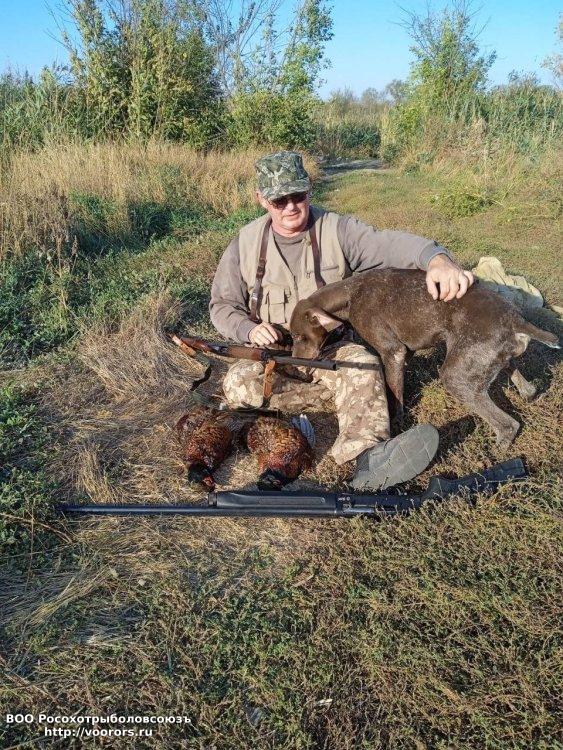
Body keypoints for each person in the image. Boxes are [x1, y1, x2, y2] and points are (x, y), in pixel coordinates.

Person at [210, 151, 474, 489]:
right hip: (275, 353)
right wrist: (249, 329)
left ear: (309, 190)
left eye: (298, 195)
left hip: (332, 350)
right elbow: (222, 306)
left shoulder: (337, 230)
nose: (291, 206)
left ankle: (368, 457)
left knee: (363, 365)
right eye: (279, 200)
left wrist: (436, 259)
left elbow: (390, 244)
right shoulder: (243, 244)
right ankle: (352, 399)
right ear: (261, 199)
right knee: (237, 383)